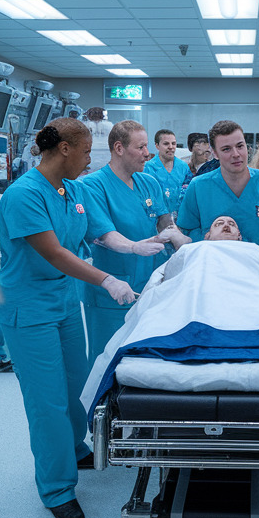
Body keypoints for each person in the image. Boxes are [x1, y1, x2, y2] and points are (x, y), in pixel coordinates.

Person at [0, 117, 144, 518]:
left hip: (62, 302)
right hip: (29, 309)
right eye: (84, 152)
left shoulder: (73, 190)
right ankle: (56, 487)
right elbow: (56, 253)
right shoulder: (23, 194)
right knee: (47, 401)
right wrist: (107, 279)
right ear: (64, 150)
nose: (87, 161)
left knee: (78, 384)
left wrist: (132, 246)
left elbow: (97, 232)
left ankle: (76, 446)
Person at [80, 120, 190, 363]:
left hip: (148, 286)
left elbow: (163, 220)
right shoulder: (92, 185)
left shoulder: (148, 182)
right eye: (140, 147)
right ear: (119, 148)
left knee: (143, 359)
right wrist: (133, 247)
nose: (147, 153)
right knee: (106, 360)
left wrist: (176, 235)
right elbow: (106, 235)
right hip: (112, 290)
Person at [177, 120, 259, 247]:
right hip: (212, 263)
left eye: (240, 146)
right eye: (226, 149)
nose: (236, 154)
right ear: (215, 153)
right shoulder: (198, 187)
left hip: (257, 263)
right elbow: (186, 234)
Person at [144, 129, 190, 219]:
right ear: (157, 146)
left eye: (173, 143)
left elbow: (188, 194)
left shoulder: (184, 167)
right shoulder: (147, 169)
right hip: (156, 220)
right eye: (166, 144)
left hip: (180, 219)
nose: (171, 147)